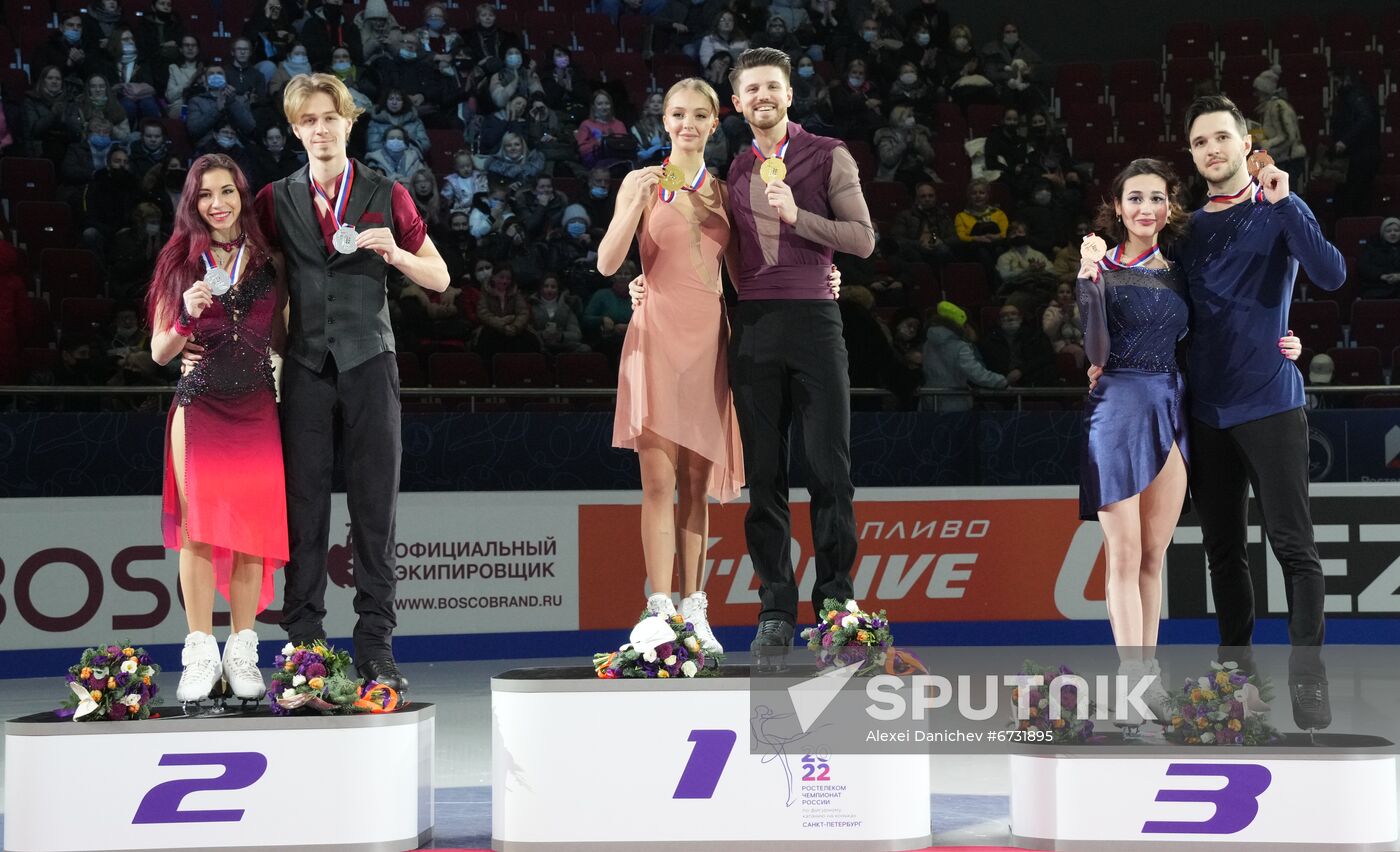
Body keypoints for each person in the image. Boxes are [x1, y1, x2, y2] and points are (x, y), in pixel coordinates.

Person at [635, 48, 871, 656]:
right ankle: (775, 608)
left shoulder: (828, 154)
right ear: (736, 105)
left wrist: (803, 219)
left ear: (789, 94)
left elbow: (863, 240)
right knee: (763, 478)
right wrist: (648, 280)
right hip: (755, 326)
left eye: (773, 86)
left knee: (829, 471)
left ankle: (837, 605)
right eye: (751, 91)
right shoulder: (734, 170)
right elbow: (711, 252)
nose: (763, 97)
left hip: (817, 322)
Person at [1079, 157, 1306, 726]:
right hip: (1117, 411)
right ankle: (1133, 683)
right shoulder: (1099, 266)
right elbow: (1094, 347)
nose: (1146, 209)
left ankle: (1149, 684)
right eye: (1135, 198)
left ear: (1170, 206)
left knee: (1154, 556)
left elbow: (1220, 326)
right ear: (1117, 206)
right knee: (1124, 555)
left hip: (1173, 409)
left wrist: (1285, 341)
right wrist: (1086, 284)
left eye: (1157, 198)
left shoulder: (1179, 268)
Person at [250, 73, 449, 692]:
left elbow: (439, 278)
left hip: (369, 363)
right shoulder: (273, 199)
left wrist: (398, 256)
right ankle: (306, 645)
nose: (320, 130)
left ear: (348, 122)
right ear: (295, 130)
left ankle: (375, 646)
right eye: (308, 121)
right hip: (306, 369)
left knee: (374, 511)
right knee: (302, 510)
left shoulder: (387, 192)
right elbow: (259, 280)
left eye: (330, 118)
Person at [1175, 95, 1346, 727]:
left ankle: (1308, 680)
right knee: (1222, 550)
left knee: (1293, 546)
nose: (1212, 149)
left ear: (1246, 143)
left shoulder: (1278, 209)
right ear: (1193, 156)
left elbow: (1330, 275)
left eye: (1222, 137)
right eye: (1200, 143)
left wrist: (1287, 200)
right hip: (1207, 409)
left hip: (1271, 402)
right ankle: (1234, 687)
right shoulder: (1187, 229)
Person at [598, 78, 744, 655]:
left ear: (714, 123)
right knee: (657, 481)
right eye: (677, 114)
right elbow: (608, 260)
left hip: (709, 342)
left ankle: (695, 609)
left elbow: (744, 278)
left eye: (699, 115)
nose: (687, 123)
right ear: (665, 122)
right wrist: (633, 203)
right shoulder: (639, 182)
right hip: (655, 337)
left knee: (697, 486)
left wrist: (823, 281)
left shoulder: (728, 194)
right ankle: (659, 608)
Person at [147, 153, 288, 708]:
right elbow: (160, 352)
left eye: (227, 191)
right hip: (199, 405)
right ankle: (201, 651)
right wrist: (184, 316)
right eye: (206, 195)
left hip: (256, 407)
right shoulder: (178, 261)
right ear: (193, 203)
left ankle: (243, 649)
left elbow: (285, 339)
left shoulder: (269, 262)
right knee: (198, 532)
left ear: (241, 196)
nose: (218, 203)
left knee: (251, 532)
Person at [920, 300, 1006, 411]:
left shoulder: (928, 343)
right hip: (954, 403)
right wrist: (1000, 381)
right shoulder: (960, 346)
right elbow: (975, 373)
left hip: (929, 401)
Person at [1358, 216, 1400, 299]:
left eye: (1396, 230)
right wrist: (1381, 275)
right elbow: (1362, 267)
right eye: (1388, 231)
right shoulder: (1372, 248)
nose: (1393, 233)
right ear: (1382, 234)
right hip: (1378, 286)